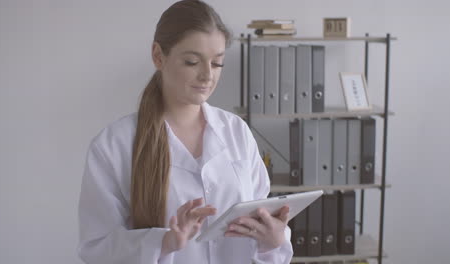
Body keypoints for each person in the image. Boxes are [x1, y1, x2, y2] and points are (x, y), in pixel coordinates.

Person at [78, 0, 293, 263]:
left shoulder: (236, 131)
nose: (207, 75)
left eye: (217, 64)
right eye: (192, 61)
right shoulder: (114, 145)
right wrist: (164, 242)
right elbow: (97, 248)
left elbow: (261, 217)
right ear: (158, 56)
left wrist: (273, 241)